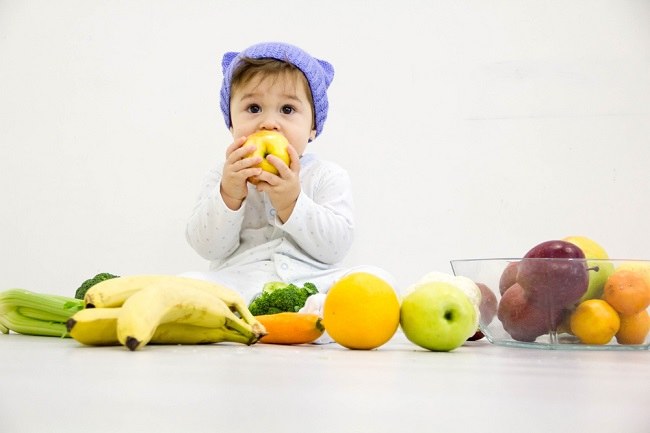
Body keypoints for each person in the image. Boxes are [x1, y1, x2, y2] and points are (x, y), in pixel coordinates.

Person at [183, 41, 394, 306]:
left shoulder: (326, 175)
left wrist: (292, 203)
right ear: (231, 122)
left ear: (312, 127)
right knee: (188, 283)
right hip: (240, 281)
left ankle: (318, 315)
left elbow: (336, 248)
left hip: (313, 281)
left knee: (376, 279)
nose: (269, 123)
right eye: (254, 108)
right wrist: (229, 195)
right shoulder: (223, 175)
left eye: (287, 110)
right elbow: (207, 247)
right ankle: (242, 317)